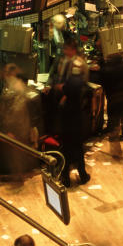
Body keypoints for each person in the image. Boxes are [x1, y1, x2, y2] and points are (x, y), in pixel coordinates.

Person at [50, 39, 91, 187]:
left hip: (69, 115)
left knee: (67, 147)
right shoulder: (68, 64)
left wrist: (63, 90)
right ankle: (82, 175)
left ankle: (66, 178)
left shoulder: (76, 68)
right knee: (76, 146)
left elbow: (72, 86)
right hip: (76, 115)